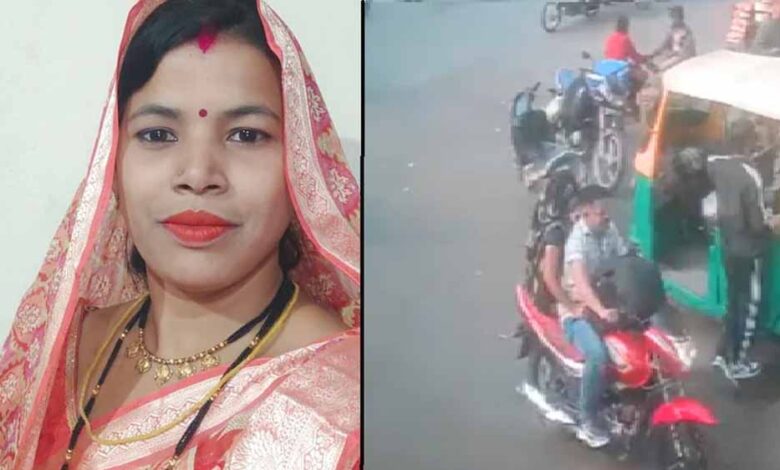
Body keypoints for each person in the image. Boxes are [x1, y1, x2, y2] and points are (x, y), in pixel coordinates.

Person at [0, 1, 361, 468]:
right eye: (158, 135)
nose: (197, 174)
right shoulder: (54, 356)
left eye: (247, 135)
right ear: (112, 166)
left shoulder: (344, 408)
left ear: (302, 167)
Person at [674, 119, 780, 381]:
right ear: (750, 141)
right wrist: (774, 221)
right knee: (748, 307)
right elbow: (757, 224)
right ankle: (737, 362)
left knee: (733, 303)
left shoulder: (715, 163)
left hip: (727, 246)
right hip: (750, 251)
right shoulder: (750, 175)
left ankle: (722, 354)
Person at [560, 185, 630, 448]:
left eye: (607, 212)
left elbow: (624, 262)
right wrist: (600, 310)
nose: (606, 216)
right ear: (585, 213)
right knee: (598, 356)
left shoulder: (609, 230)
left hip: (608, 306)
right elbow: (581, 285)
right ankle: (586, 420)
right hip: (578, 311)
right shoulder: (576, 242)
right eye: (601, 213)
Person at [604, 16, 649, 117]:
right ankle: (631, 101)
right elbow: (635, 56)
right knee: (643, 76)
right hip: (620, 70)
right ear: (626, 26)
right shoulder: (625, 39)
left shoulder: (610, 38)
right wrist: (645, 59)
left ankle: (629, 101)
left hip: (610, 70)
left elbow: (609, 54)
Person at [652, 6, 696, 71]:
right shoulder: (672, 29)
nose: (671, 16)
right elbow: (665, 44)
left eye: (673, 14)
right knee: (654, 63)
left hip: (683, 56)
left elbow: (687, 48)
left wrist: (674, 54)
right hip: (673, 54)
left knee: (662, 67)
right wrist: (656, 52)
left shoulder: (686, 30)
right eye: (671, 15)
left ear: (679, 16)